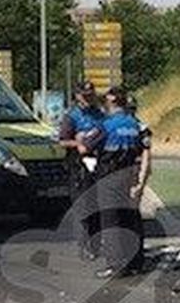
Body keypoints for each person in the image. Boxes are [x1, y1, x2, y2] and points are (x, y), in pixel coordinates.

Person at [93, 87, 152, 278]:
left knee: (111, 219)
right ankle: (136, 261)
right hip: (131, 175)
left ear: (110, 103)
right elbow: (146, 153)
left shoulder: (106, 124)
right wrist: (141, 183)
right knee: (131, 217)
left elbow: (87, 145)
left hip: (109, 176)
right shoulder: (137, 124)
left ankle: (116, 264)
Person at [56, 81, 105, 260]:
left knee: (98, 205)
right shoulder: (72, 116)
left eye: (91, 95)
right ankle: (84, 245)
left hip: (97, 164)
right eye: (85, 96)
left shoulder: (99, 113)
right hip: (78, 165)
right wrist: (79, 143)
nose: (88, 99)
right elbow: (62, 141)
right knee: (82, 205)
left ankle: (96, 244)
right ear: (77, 96)